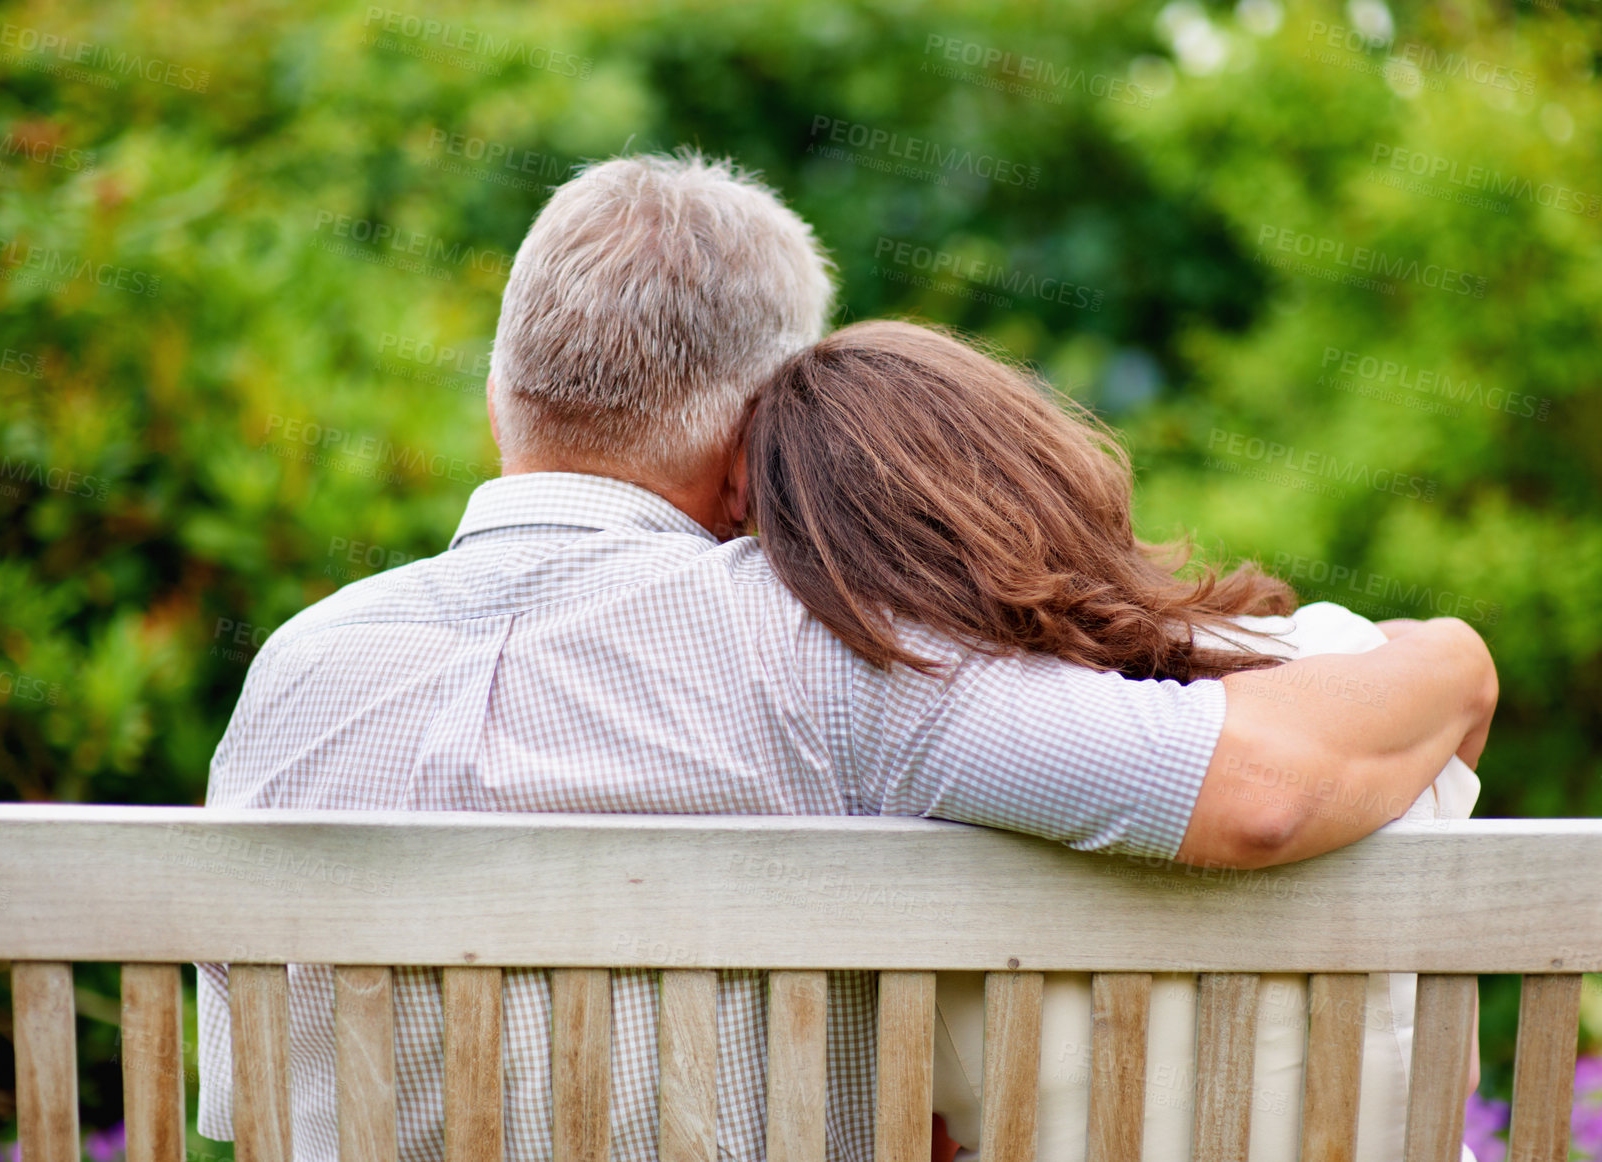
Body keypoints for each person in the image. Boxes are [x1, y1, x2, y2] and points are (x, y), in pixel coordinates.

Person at [196, 152, 1497, 1162]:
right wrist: (1452, 661)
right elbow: (1261, 790)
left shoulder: (296, 671)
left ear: (503, 387)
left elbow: (246, 1104)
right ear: (760, 438)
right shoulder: (817, 645)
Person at [742, 320, 1486, 1162]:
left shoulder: (893, 780)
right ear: (1036, 464)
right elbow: (1445, 1075)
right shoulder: (1354, 660)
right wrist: (1456, 651)